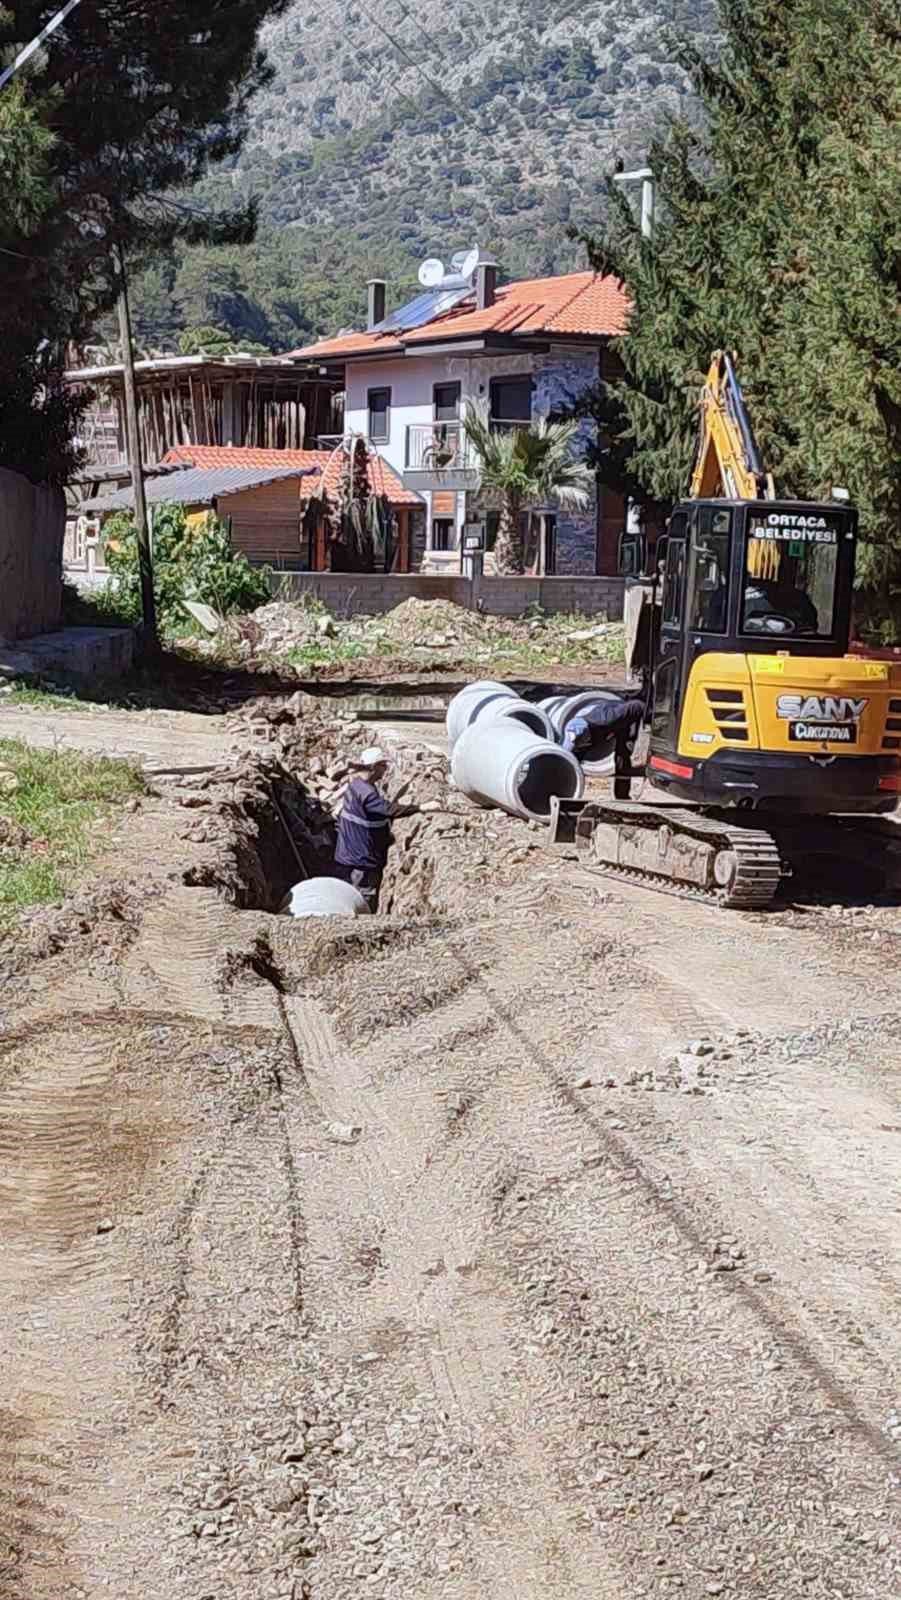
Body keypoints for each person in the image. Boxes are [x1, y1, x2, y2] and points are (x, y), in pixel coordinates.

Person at [332, 746, 417, 912]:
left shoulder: (357, 785)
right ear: (373, 767)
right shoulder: (367, 793)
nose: (385, 770)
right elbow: (388, 810)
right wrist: (421, 807)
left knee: (348, 894)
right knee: (361, 896)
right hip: (361, 859)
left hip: (351, 853)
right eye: (383, 766)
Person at [563, 697, 646, 799]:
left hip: (625, 721)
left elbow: (636, 705)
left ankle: (622, 797)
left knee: (623, 756)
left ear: (586, 736)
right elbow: (570, 761)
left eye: (577, 743)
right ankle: (621, 796)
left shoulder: (605, 719)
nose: (576, 746)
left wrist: (652, 719)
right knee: (620, 759)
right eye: (574, 744)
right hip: (609, 730)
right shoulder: (579, 739)